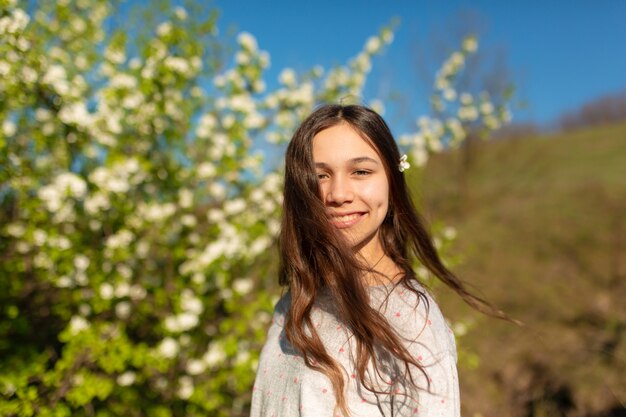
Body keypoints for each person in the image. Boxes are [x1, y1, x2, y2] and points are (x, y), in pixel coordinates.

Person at [250, 104, 507, 417]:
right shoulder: (296, 301)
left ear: (391, 181)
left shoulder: (410, 319)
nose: (338, 193)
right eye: (320, 175)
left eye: (361, 171)